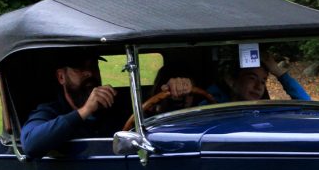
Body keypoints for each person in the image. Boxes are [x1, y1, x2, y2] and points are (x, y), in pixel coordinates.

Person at [21, 53, 191, 158]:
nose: (89, 73)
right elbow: (31, 144)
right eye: (80, 69)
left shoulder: (116, 104)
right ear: (61, 77)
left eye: (93, 66)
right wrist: (86, 110)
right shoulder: (51, 111)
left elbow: (150, 118)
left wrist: (173, 96)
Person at [207, 49, 310, 103]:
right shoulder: (211, 107)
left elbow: (307, 105)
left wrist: (278, 72)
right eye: (252, 78)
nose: (259, 87)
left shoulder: (264, 111)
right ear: (231, 80)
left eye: (263, 81)